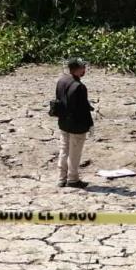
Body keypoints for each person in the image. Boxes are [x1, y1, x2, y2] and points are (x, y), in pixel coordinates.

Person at [55, 58, 94, 188]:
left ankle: (61, 178)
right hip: (77, 125)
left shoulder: (61, 80)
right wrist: (90, 124)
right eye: (83, 68)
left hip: (63, 122)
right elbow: (83, 110)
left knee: (64, 150)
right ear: (78, 69)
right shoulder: (79, 87)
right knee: (74, 152)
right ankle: (72, 179)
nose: (84, 70)